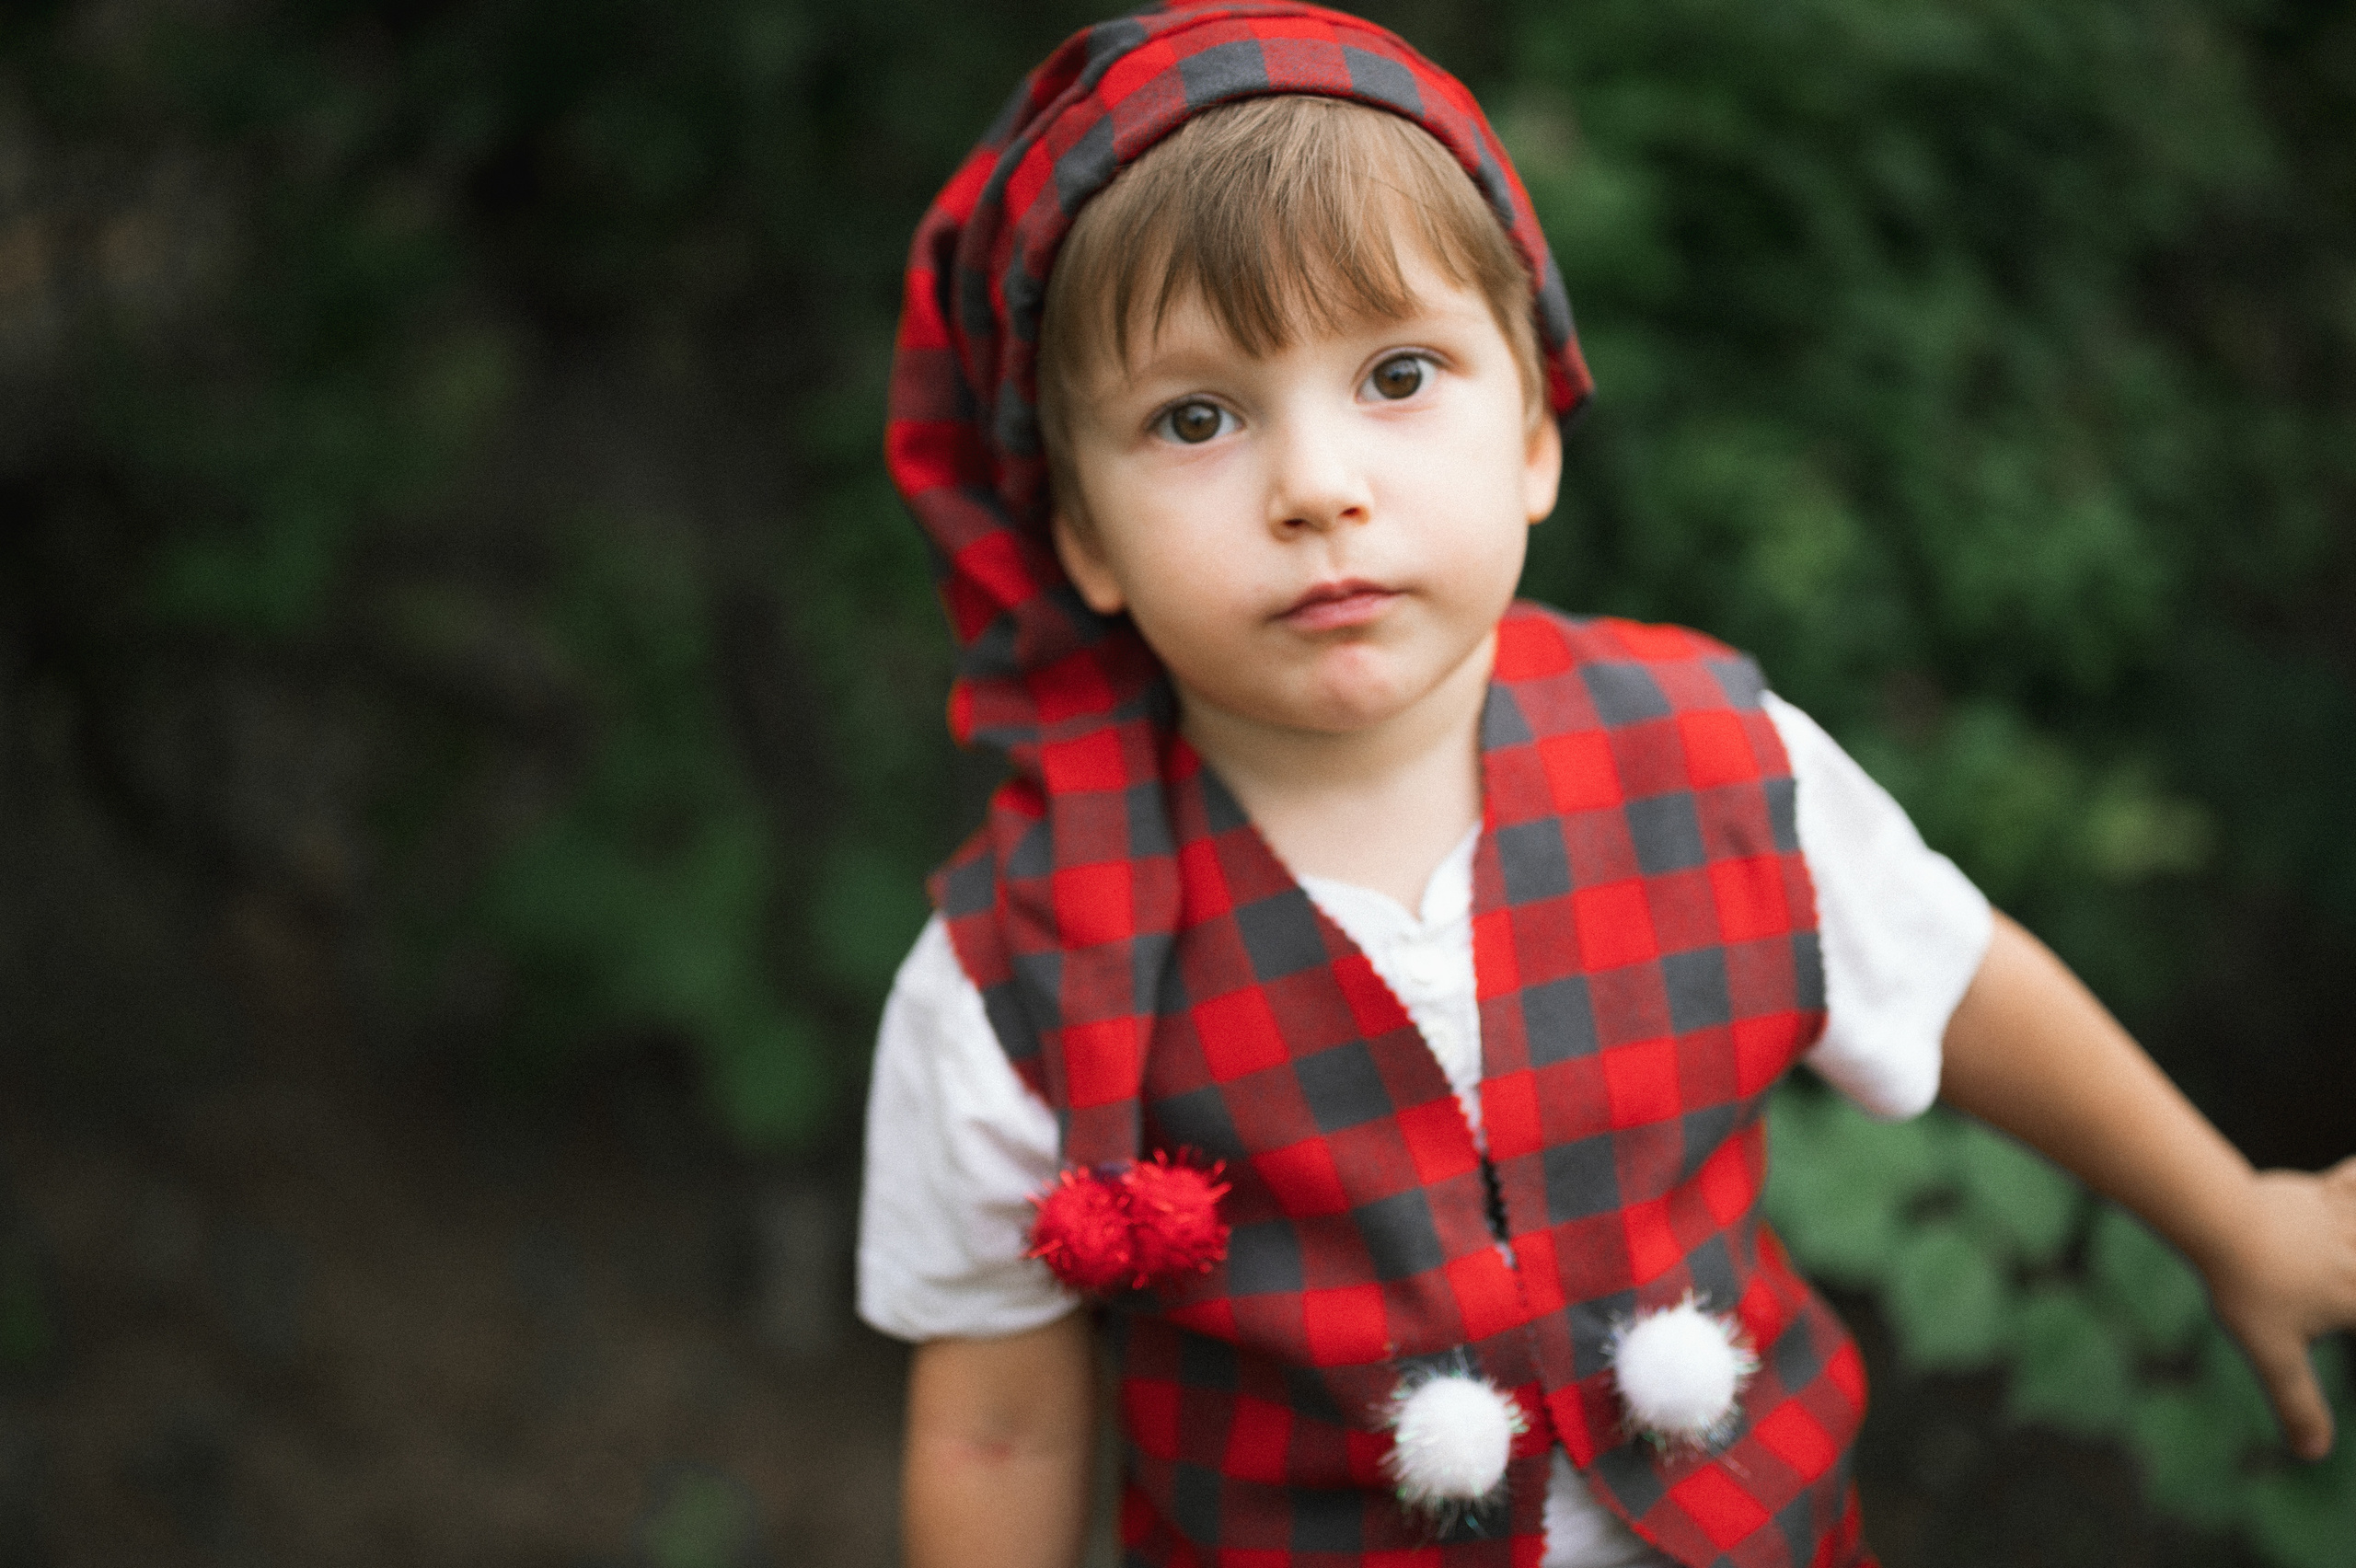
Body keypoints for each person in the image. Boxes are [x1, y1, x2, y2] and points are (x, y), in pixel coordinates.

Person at [857, 5, 2356, 1565]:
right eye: (1195, 417)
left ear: (1532, 432)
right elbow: (998, 1423)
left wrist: (2230, 1218)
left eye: (1399, 373)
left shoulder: (1717, 760)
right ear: (1080, 535)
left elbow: (1964, 982)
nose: (1316, 487)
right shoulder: (1011, 979)